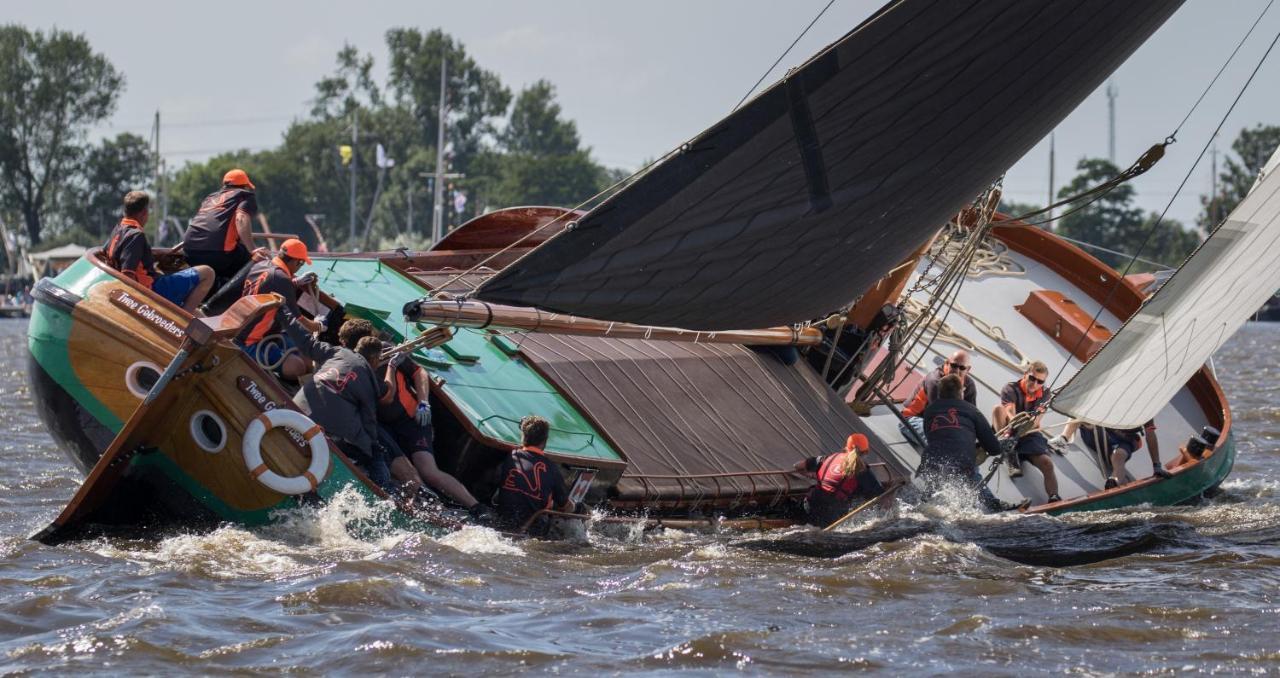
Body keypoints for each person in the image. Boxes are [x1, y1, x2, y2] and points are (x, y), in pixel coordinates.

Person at [281, 306, 391, 489]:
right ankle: (383, 490)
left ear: (344, 341)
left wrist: (282, 310)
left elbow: (304, 340)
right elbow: (370, 419)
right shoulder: (371, 380)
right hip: (331, 432)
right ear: (375, 361)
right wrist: (371, 449)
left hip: (296, 414)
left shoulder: (335, 353)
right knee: (377, 456)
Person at [917, 374, 1024, 512]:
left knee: (931, 499)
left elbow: (931, 435)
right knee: (973, 478)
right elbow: (993, 448)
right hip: (963, 463)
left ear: (940, 392)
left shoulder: (930, 410)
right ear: (960, 392)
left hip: (931, 462)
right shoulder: (972, 410)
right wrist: (1005, 444)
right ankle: (994, 506)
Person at [104, 191, 214, 313]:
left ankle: (188, 313)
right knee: (207, 272)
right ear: (144, 213)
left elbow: (119, 255)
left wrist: (157, 255)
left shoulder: (117, 230)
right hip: (152, 291)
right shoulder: (136, 235)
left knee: (197, 313)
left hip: (149, 285)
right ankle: (183, 319)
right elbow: (127, 275)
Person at [239, 239, 322, 379]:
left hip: (243, 329)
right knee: (299, 367)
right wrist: (319, 326)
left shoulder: (262, 264)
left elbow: (269, 286)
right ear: (296, 262)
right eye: (301, 264)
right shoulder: (281, 279)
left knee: (308, 359)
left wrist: (295, 282)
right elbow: (298, 321)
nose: (299, 268)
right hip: (250, 342)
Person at [993, 361, 1061, 503]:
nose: (1035, 384)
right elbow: (1011, 414)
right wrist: (1013, 432)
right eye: (1032, 378)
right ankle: (1008, 451)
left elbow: (1035, 422)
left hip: (1029, 433)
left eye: (1040, 381)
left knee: (1047, 464)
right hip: (1008, 429)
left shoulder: (1045, 394)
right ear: (1025, 375)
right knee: (997, 409)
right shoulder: (1010, 388)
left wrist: (1023, 431)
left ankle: (1054, 497)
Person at [182, 169, 267, 283]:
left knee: (237, 254)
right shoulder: (244, 196)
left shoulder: (210, 197)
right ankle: (229, 298)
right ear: (244, 186)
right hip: (218, 253)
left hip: (189, 252)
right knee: (255, 263)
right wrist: (253, 250)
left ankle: (213, 290)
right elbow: (241, 219)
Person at [494, 416, 573, 532]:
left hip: (502, 524)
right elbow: (565, 507)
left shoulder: (510, 456)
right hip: (533, 531)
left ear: (523, 436)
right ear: (545, 440)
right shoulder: (552, 468)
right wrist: (576, 507)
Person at [791, 433, 886, 527]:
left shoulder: (829, 458)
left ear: (846, 447)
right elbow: (880, 496)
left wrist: (812, 476)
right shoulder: (862, 470)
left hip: (809, 505)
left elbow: (797, 466)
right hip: (830, 515)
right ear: (866, 452)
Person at [1051, 419, 1171, 488]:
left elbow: (1150, 434)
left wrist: (1157, 466)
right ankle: (1063, 439)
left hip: (1124, 440)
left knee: (1118, 456)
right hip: (1096, 433)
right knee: (1079, 413)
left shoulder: (1145, 408)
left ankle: (1114, 481)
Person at [899, 350, 977, 447]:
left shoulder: (969, 385)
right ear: (947, 363)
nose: (957, 370)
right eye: (954, 365)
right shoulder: (935, 381)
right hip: (913, 420)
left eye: (962, 368)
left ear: (967, 369)